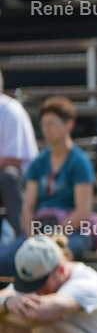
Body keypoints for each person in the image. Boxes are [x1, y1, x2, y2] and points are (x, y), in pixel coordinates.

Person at [0, 96, 97, 277]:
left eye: (52, 123)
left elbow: (83, 210)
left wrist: (56, 235)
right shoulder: (39, 163)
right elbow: (28, 206)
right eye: (44, 124)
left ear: (68, 124)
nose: (46, 129)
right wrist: (31, 238)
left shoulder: (79, 162)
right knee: (3, 262)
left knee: (53, 259)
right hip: (40, 231)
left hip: (74, 231)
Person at [0, 68, 37, 240]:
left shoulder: (10, 110)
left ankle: (25, 237)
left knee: (8, 176)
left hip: (26, 181)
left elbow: (13, 160)